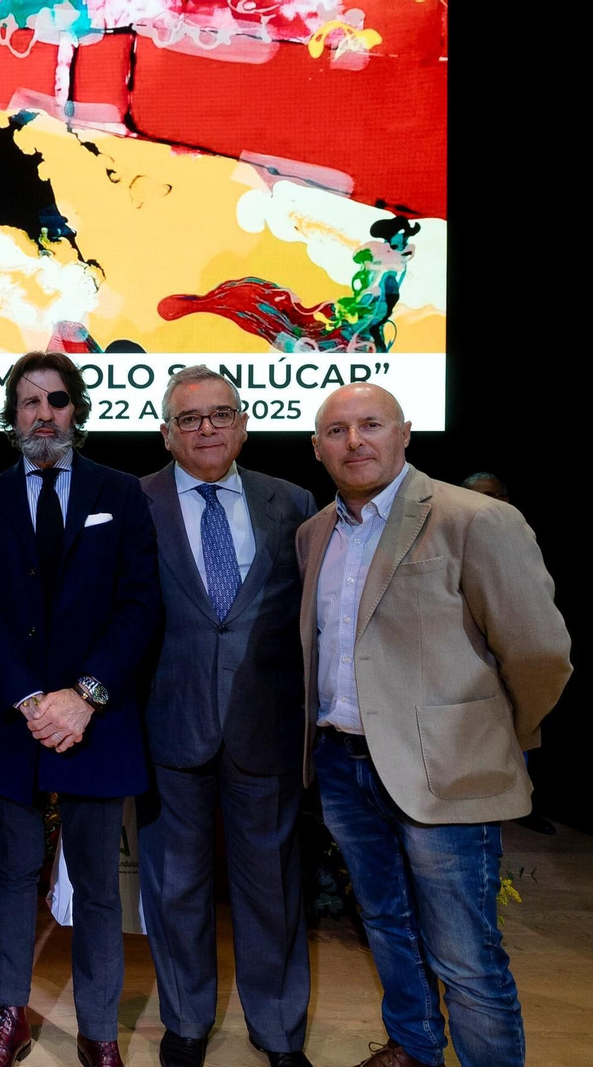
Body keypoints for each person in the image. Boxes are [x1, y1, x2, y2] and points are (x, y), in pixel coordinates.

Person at [300, 384, 572, 1067]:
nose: (354, 440)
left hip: (446, 771)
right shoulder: (315, 533)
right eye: (336, 430)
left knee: (465, 953)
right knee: (386, 923)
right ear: (317, 447)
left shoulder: (473, 518)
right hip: (341, 763)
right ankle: (417, 1048)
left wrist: (495, 736)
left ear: (405, 433)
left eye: (370, 424)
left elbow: (540, 652)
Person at [0, 351, 161, 1067]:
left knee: (99, 887)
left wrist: (85, 697)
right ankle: (10, 1017)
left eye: (56, 401)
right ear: (11, 416)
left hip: (96, 724)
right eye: (28, 402)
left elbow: (140, 604)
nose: (42, 414)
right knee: (12, 874)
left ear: (77, 410)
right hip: (12, 725)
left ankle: (99, 1029)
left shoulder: (122, 492)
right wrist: (28, 698)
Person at [137, 366, 316, 1067]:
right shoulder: (135, 500)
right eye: (190, 418)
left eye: (220, 414)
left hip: (264, 725)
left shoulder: (293, 499)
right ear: (166, 432)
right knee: (175, 886)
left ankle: (277, 1032)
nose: (207, 428)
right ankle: (185, 1020)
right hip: (169, 724)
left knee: (271, 890)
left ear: (243, 424)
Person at [460, 471, 556, 836]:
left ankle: (523, 801)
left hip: (517, 661)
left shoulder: (517, 533)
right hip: (472, 673)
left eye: (495, 494)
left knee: (520, 732)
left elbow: (539, 642)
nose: (489, 501)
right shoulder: (452, 533)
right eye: (479, 494)